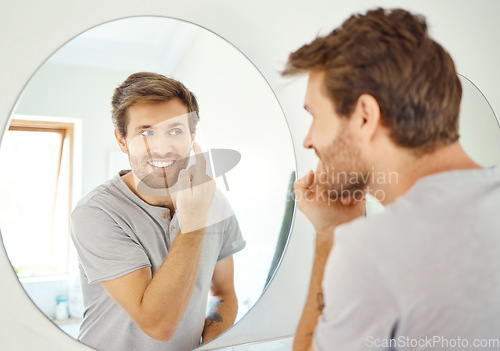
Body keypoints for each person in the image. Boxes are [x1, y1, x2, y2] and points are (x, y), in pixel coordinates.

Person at [282, 8, 500, 351]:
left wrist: (329, 234)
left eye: (314, 116)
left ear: (365, 116)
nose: (309, 140)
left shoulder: (372, 250)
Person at [71, 72, 246, 351]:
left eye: (175, 131)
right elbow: (158, 326)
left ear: (192, 137)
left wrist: (209, 345)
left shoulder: (214, 201)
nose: (162, 148)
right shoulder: (97, 212)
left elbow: (223, 293)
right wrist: (195, 219)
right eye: (146, 132)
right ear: (122, 140)